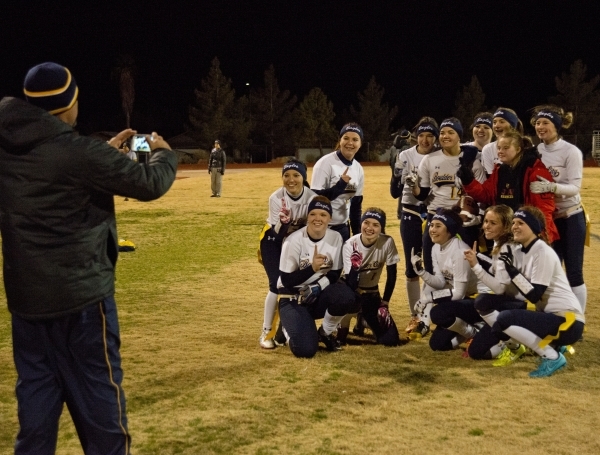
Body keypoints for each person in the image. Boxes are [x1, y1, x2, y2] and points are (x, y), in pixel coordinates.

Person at [0, 62, 177, 454]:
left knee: (36, 413)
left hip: (28, 303)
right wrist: (165, 154)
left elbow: (56, 173)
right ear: (69, 105)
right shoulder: (78, 153)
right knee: (102, 414)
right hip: (81, 303)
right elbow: (148, 183)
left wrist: (100, 154)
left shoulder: (9, 144)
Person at [490, 206, 585, 377]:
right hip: (553, 317)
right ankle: (553, 346)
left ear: (533, 228)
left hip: (568, 322)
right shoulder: (522, 251)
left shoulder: (542, 251)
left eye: (521, 223)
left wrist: (513, 272)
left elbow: (535, 295)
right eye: (513, 223)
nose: (514, 226)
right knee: (498, 325)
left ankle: (552, 356)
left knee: (505, 319)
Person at [277, 196, 359, 358]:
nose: (318, 218)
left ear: (330, 218)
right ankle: (286, 328)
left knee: (348, 297)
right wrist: (311, 268)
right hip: (292, 297)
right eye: (313, 214)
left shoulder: (335, 237)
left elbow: (335, 273)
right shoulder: (293, 241)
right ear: (308, 216)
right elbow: (286, 281)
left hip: (316, 295)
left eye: (323, 215)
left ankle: (325, 333)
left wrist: (317, 287)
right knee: (306, 350)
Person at [529, 105, 587, 313]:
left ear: (557, 126)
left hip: (570, 217)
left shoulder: (571, 151)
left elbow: (575, 188)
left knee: (573, 273)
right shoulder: (536, 151)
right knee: (548, 272)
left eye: (546, 122)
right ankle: (547, 315)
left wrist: (551, 187)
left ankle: (577, 319)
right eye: (537, 123)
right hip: (548, 219)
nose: (540, 126)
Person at [410, 117, 486, 275]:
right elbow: (422, 195)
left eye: (451, 132)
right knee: (432, 267)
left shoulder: (473, 162)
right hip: (435, 216)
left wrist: (476, 216)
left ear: (459, 136)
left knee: (465, 270)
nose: (445, 136)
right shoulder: (429, 159)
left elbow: (481, 195)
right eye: (442, 133)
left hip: (462, 219)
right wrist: (413, 186)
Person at [457, 130, 559, 243]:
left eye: (506, 148)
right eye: (499, 148)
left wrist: (541, 235)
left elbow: (543, 209)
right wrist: (468, 181)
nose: (500, 151)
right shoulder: (500, 170)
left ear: (518, 149)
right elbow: (486, 195)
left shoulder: (534, 170)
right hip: (504, 232)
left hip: (526, 233)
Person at [258, 159, 317, 349]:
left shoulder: (312, 198)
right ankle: (267, 332)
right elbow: (276, 234)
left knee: (296, 283)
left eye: (296, 175)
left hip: (297, 242)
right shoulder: (276, 198)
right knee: (277, 284)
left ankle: (286, 330)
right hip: (273, 241)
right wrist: (283, 223)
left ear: (304, 177)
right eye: (286, 175)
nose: (291, 180)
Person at [390, 117, 439, 334]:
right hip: (411, 213)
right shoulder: (406, 155)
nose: (425, 140)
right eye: (421, 135)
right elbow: (394, 192)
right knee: (411, 268)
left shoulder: (442, 155)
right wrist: (397, 176)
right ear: (415, 137)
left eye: (430, 135)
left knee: (431, 267)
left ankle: (427, 317)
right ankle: (414, 315)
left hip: (434, 215)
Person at [409, 208, 482, 348]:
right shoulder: (436, 247)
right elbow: (440, 282)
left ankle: (474, 333)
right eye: (431, 225)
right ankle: (474, 328)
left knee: (438, 313)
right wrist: (420, 271)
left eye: (438, 226)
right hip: (465, 300)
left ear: (450, 229)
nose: (432, 229)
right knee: (438, 344)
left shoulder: (460, 251)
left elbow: (459, 294)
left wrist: (428, 298)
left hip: (481, 301)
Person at [463, 205, 527, 363]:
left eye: (493, 223)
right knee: (476, 351)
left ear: (506, 227)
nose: (486, 226)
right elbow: (495, 267)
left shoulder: (507, 248)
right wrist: (478, 256)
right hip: (509, 304)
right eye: (485, 221)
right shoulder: (503, 244)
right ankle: (517, 339)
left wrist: (475, 266)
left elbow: (499, 288)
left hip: (517, 306)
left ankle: (515, 343)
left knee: (483, 301)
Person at [338, 208, 402, 346]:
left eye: (375, 224)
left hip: (372, 294)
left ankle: (363, 319)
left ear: (382, 227)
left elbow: (392, 275)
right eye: (366, 223)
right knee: (341, 340)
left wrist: (385, 302)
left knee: (390, 340)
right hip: (352, 293)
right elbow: (351, 284)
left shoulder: (387, 242)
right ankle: (344, 321)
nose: (369, 228)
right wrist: (355, 267)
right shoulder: (350, 245)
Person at [311, 123, 365, 242]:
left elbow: (356, 207)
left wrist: (358, 237)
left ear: (360, 144)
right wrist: (340, 186)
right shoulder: (325, 163)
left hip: (343, 228)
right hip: (322, 229)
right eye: (346, 138)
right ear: (340, 140)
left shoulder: (358, 168)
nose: (350, 143)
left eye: (355, 139)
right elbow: (315, 199)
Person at [480, 108, 524, 176]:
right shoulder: (488, 149)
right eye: (494, 122)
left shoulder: (527, 147)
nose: (497, 126)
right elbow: (492, 179)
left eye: (502, 122)